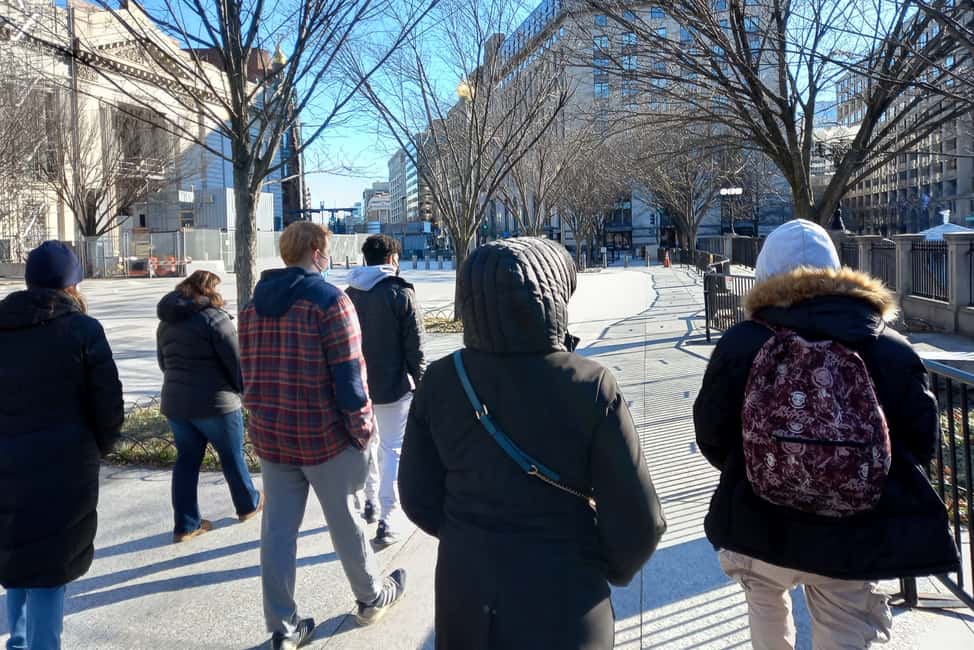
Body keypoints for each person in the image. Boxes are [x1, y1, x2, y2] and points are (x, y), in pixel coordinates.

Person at [694, 219, 959, 649]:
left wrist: (761, 465)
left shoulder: (741, 343)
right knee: (847, 626)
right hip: (853, 534)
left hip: (757, 523)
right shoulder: (888, 347)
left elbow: (710, 431)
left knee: (765, 607)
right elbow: (922, 440)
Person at [399, 237, 667, 649]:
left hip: (466, 598)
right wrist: (606, 566)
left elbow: (417, 496)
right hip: (566, 600)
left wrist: (470, 537)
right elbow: (640, 521)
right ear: (553, 297)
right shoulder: (590, 385)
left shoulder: (440, 380)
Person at [239, 222, 405, 650]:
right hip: (324, 437)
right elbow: (350, 379)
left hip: (273, 437)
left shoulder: (251, 307)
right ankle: (370, 596)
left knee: (277, 531)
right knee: (346, 522)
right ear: (316, 252)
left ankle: (284, 627)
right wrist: (363, 431)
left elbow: (249, 373)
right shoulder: (332, 302)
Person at [0, 241, 124, 650]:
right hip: (65, 469)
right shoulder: (83, 330)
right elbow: (108, 405)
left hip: (7, 465)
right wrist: (98, 448)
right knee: (50, 570)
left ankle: (17, 642)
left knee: (16, 557)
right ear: (72, 284)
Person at [157, 270, 262, 543]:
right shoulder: (216, 320)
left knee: (186, 461)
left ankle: (186, 525)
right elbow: (236, 363)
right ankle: (247, 505)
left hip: (176, 404)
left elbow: (163, 363)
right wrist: (243, 391)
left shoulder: (166, 323)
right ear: (209, 291)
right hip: (216, 404)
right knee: (232, 456)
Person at [346, 235, 426, 547]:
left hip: (356, 385)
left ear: (365, 259)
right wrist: (422, 383)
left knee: (367, 445)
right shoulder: (400, 292)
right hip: (393, 385)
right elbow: (415, 347)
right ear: (392, 258)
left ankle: (370, 501)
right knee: (392, 448)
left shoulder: (349, 293)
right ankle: (388, 518)